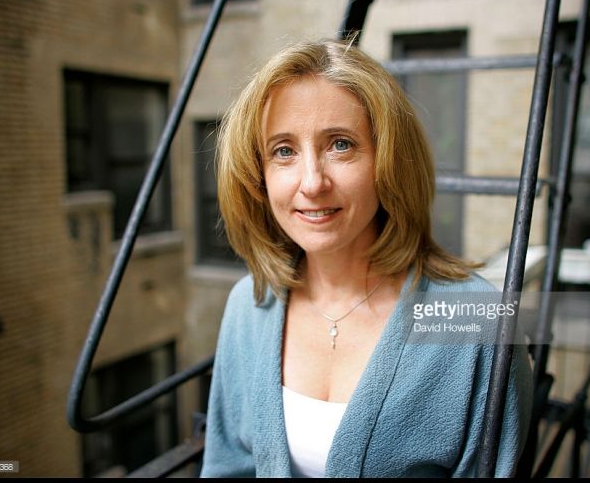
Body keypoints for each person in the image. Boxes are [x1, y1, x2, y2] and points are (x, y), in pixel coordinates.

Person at [200, 37, 533, 478]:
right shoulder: (249, 305)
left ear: (388, 162)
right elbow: (227, 469)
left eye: (340, 144)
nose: (312, 183)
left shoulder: (478, 320)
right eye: (284, 151)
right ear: (258, 176)